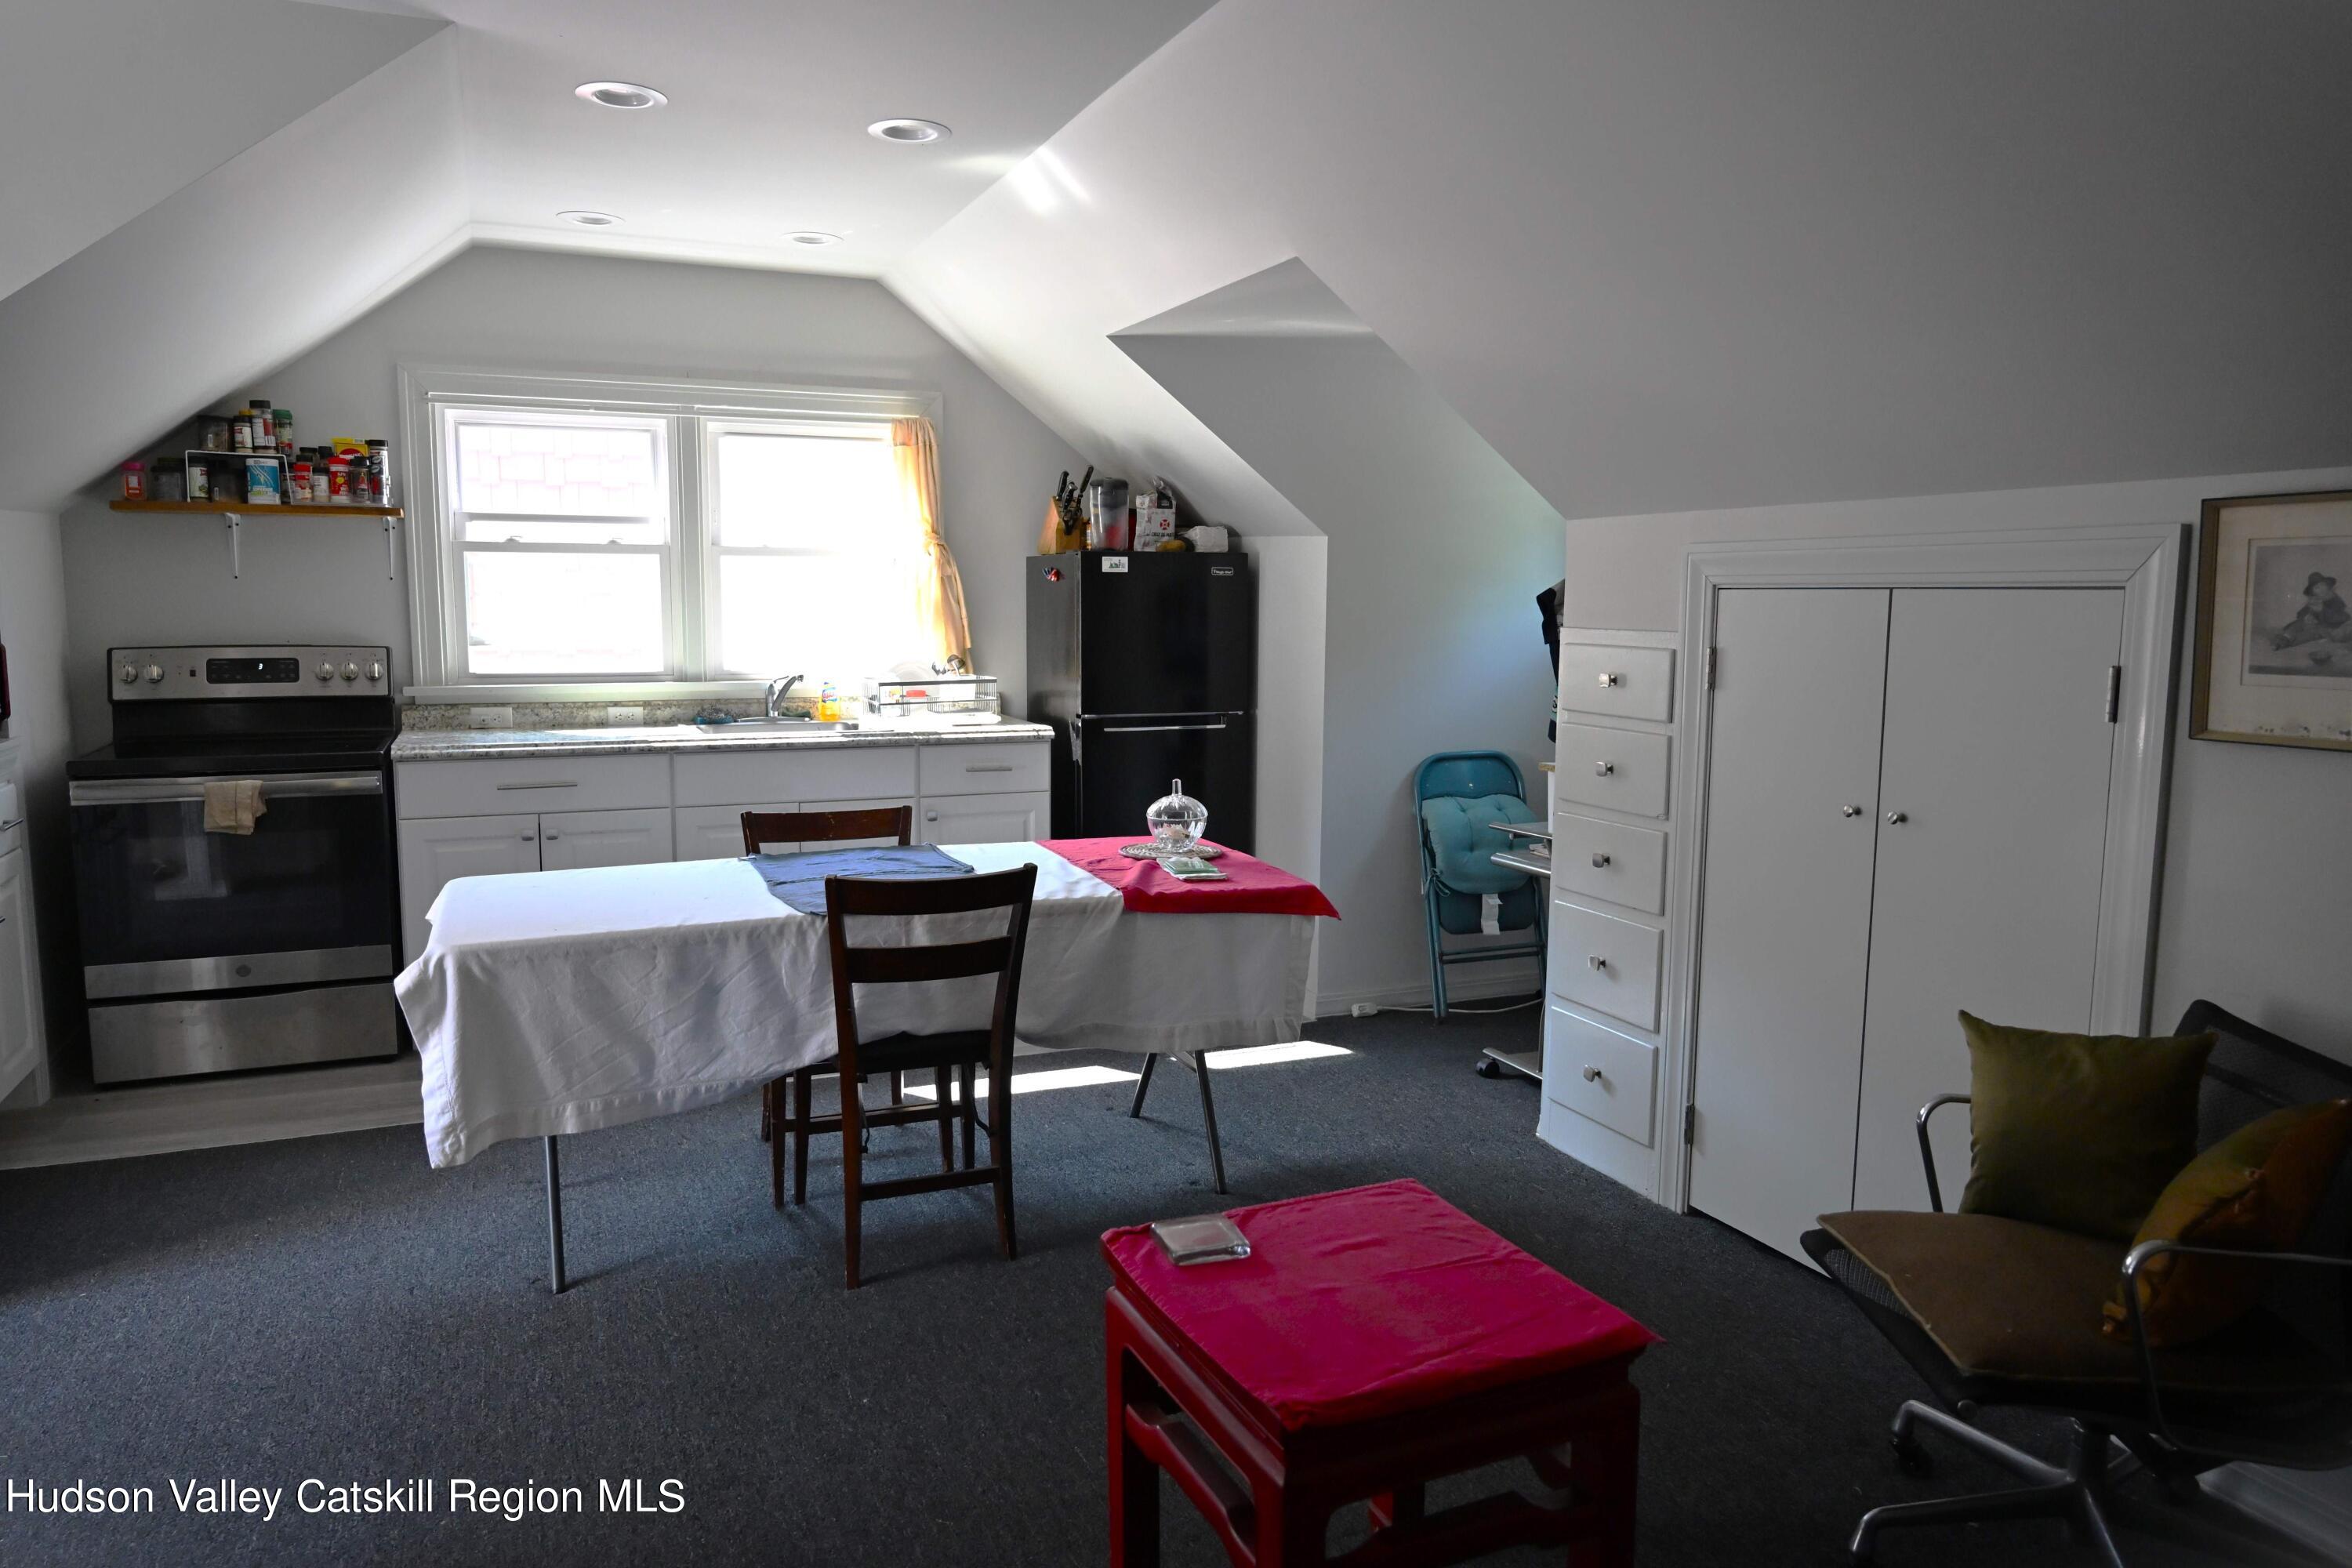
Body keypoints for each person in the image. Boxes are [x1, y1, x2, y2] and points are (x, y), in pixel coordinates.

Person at [2272, 570, 2351, 651]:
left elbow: (2343, 617)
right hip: (2315, 625)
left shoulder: (2335, 599)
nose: (2321, 589)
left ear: (2327, 586)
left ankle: (2286, 643)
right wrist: (2307, 616)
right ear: (2313, 592)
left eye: (2322, 585)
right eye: (2317, 588)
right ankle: (2285, 638)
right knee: (2298, 624)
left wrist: (2322, 610)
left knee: (2309, 635)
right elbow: (2301, 613)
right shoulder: (2316, 600)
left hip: (2330, 629)